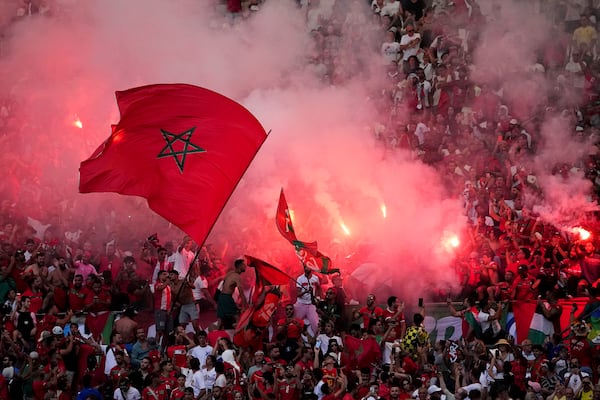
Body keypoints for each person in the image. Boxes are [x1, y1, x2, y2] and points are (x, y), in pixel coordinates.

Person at [217, 258, 248, 329]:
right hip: (226, 297)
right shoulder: (237, 276)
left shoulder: (230, 273)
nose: (245, 266)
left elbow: (223, 284)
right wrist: (245, 305)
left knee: (220, 320)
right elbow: (241, 292)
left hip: (221, 297)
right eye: (243, 265)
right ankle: (238, 336)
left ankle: (216, 334)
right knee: (237, 317)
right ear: (239, 266)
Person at [294, 265, 321, 336]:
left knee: (316, 324)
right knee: (296, 323)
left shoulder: (315, 278)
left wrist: (317, 297)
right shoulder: (300, 279)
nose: (306, 269)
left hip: (311, 304)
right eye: (305, 267)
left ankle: (317, 342)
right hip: (301, 303)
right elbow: (298, 294)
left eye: (308, 267)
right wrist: (305, 292)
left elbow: (318, 288)